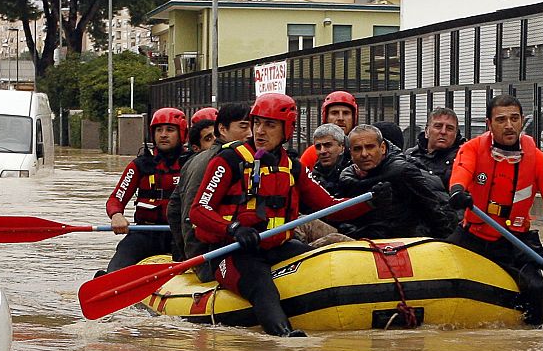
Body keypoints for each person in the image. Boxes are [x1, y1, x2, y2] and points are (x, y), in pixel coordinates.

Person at [188, 93, 390, 337]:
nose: (260, 131)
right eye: (257, 123)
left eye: (270, 125)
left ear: (287, 129)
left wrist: (370, 202)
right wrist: (234, 229)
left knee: (323, 263)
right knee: (262, 286)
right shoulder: (228, 160)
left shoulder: (293, 166)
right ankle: (284, 336)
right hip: (233, 251)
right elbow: (199, 210)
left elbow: (330, 206)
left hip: (277, 247)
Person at [446, 94, 543, 327]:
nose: (509, 125)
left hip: (515, 241)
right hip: (473, 235)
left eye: (514, 118)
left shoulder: (539, 161)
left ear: (522, 121)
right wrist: (457, 192)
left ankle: (531, 343)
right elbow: (461, 173)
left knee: (535, 288)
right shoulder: (471, 149)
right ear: (489, 124)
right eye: (501, 120)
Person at [168, 103, 252, 280]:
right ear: (222, 129)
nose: (251, 133)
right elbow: (189, 215)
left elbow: (173, 210)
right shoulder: (220, 160)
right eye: (244, 127)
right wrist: (197, 260)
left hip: (223, 248)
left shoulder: (193, 161)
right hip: (213, 255)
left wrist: (183, 252)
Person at [101, 107, 190, 275]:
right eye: (159, 130)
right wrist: (116, 215)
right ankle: (111, 279)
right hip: (146, 233)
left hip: (181, 234)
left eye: (170, 130)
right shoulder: (140, 165)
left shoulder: (193, 163)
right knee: (122, 257)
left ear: (182, 133)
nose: (163, 134)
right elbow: (116, 198)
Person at [338, 124, 456, 240]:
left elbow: (432, 208)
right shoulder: (347, 178)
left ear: (382, 148)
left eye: (370, 147)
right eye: (357, 149)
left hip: (406, 243)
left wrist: (446, 242)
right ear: (350, 153)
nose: (364, 154)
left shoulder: (402, 171)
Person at [405, 108, 466, 189]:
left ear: (456, 134)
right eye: (438, 126)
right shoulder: (411, 155)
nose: (443, 132)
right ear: (427, 131)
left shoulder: (463, 158)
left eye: (449, 128)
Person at [299, 90, 359, 168]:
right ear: (325, 117)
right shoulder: (311, 153)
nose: (340, 118)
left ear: (354, 117)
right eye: (334, 113)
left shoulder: (363, 150)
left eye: (346, 113)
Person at [310, 123, 347, 196]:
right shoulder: (314, 176)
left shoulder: (356, 172)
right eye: (318, 147)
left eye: (327, 145)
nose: (322, 151)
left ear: (342, 146)